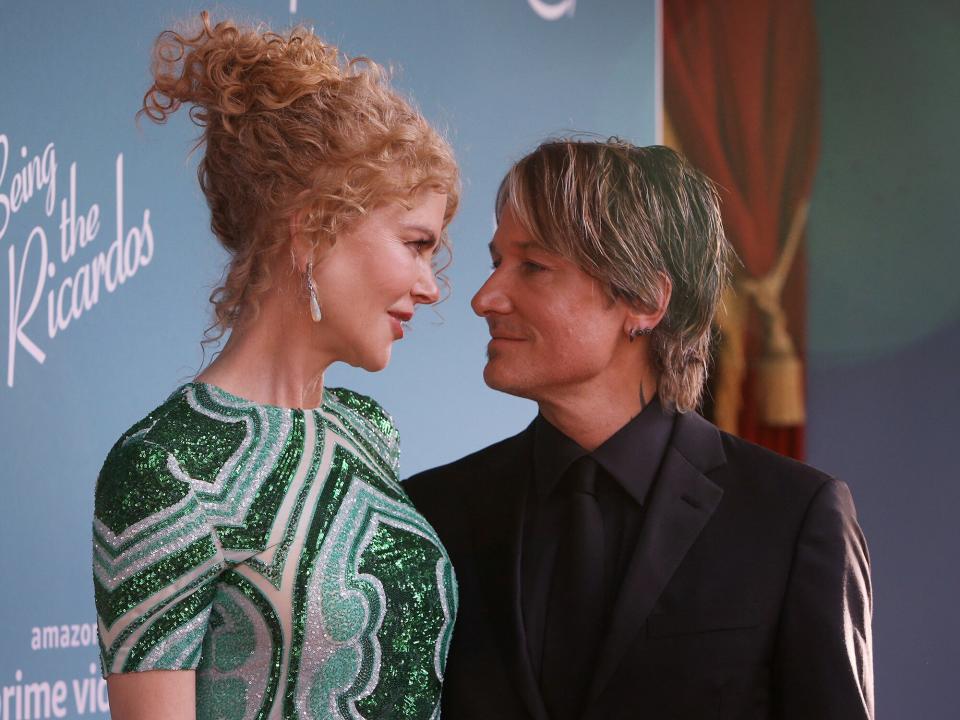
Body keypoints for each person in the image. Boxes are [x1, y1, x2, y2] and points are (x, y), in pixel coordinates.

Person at [405, 139, 874, 720]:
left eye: (533, 266)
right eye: (496, 262)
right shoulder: (431, 511)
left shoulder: (794, 516)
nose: (485, 297)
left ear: (646, 300)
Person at [92, 12, 460, 720]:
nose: (431, 285)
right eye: (416, 244)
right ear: (315, 223)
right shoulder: (167, 468)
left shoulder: (366, 429)